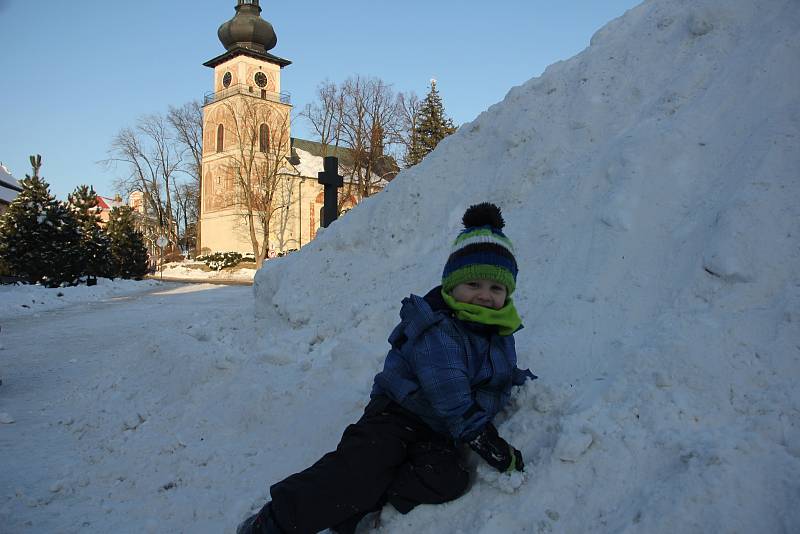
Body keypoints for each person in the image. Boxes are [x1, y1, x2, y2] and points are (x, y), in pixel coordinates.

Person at [237, 202, 536, 534]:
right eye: (474, 285)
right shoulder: (437, 328)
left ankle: (370, 499)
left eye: (495, 288)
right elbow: (451, 394)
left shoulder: (498, 330)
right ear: (452, 286)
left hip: (437, 429)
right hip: (397, 414)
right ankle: (275, 520)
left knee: (449, 478)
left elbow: (498, 372)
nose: (484, 296)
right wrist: (485, 439)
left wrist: (520, 382)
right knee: (361, 468)